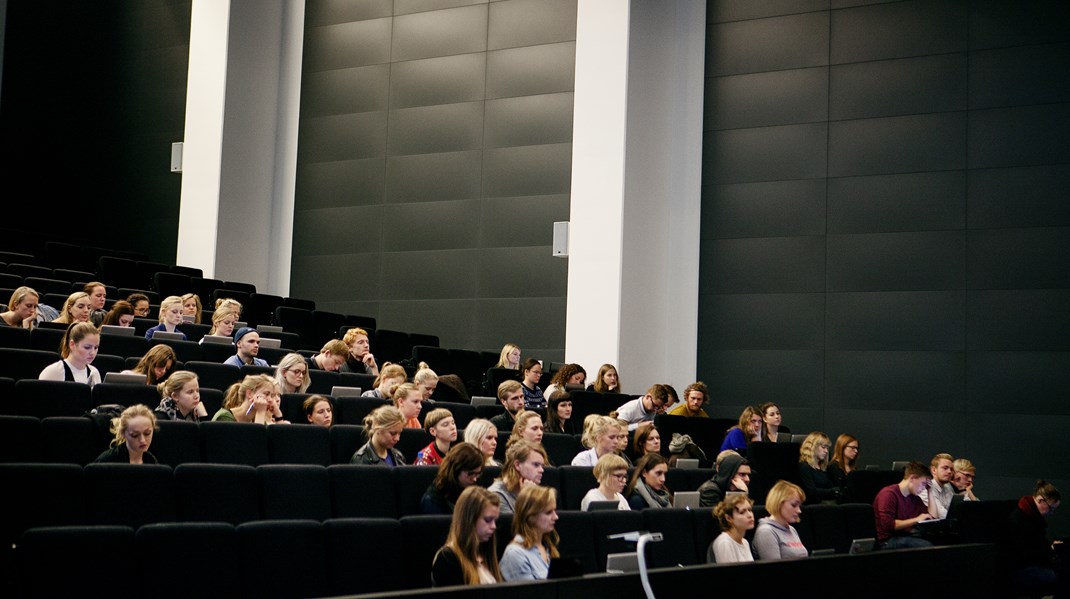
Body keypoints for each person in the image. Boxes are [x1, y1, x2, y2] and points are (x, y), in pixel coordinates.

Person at [431, 486, 503, 586]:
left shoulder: (487, 553)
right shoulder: (447, 559)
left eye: (495, 521)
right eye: (488, 520)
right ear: (469, 520)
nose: (494, 526)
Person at [1005, 480, 1062, 596]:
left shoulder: (1030, 516)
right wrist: (1050, 550)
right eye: (1051, 509)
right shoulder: (1019, 519)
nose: (1051, 513)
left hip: (1029, 566)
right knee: (1059, 577)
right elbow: (1027, 554)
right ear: (1041, 500)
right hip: (1021, 569)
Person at [501, 485, 560, 581]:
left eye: (554, 511)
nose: (556, 517)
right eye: (548, 512)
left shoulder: (548, 547)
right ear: (530, 516)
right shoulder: (515, 554)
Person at [873, 461, 934, 549]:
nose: (923, 488)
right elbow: (888, 525)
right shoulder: (888, 494)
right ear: (912, 478)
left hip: (905, 535)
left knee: (939, 539)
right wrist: (917, 519)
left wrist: (930, 491)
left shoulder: (914, 497)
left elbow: (927, 516)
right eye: (923, 484)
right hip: (887, 540)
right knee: (926, 545)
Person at [421, 443, 485, 514]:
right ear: (455, 470)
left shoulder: (473, 494)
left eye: (477, 474)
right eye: (470, 474)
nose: (474, 479)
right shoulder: (433, 500)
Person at [753, 481, 808, 560]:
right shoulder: (766, 532)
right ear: (779, 503)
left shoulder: (792, 529)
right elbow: (775, 569)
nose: (799, 510)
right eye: (794, 505)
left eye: (799, 506)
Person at [489, 440, 548, 514]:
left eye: (542, 466)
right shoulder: (497, 495)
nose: (541, 470)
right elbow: (517, 525)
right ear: (517, 465)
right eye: (536, 465)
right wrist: (526, 499)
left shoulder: (533, 489)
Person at [93, 404, 159, 464]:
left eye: (147, 433)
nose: (142, 440)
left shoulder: (151, 460)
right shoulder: (106, 461)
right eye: (135, 435)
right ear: (123, 434)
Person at [707, 494, 756, 564]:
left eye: (750, 510)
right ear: (729, 518)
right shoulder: (724, 542)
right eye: (742, 512)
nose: (750, 515)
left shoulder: (745, 542)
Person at [212, 374, 277, 423]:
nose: (270, 399)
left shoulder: (257, 419)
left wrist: (278, 414)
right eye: (266, 394)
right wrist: (260, 412)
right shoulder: (224, 417)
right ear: (249, 394)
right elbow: (257, 440)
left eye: (271, 396)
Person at [798, 432, 838, 504]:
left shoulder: (824, 468)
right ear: (813, 447)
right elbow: (811, 492)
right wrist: (832, 491)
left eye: (827, 448)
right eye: (823, 447)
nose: (826, 451)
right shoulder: (804, 466)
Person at [921, 452, 955, 519]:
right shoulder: (925, 489)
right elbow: (943, 515)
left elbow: (954, 511)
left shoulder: (947, 488)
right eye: (945, 468)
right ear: (934, 470)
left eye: (951, 469)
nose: (949, 472)